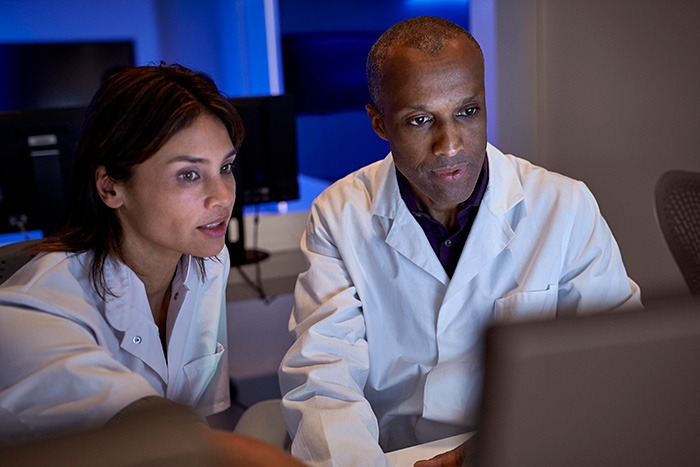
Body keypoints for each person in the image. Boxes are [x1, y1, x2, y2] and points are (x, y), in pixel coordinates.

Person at [278, 16, 642, 467]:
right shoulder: (340, 213)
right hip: (391, 455)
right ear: (379, 123)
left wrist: (501, 446)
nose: (450, 145)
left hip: (526, 449)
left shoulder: (564, 206)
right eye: (419, 119)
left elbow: (613, 365)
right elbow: (323, 375)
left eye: (467, 112)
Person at [0, 64, 304, 466]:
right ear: (111, 187)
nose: (222, 197)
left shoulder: (206, 263)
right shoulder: (35, 310)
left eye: (225, 168)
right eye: (189, 174)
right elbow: (152, 433)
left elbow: (202, 422)